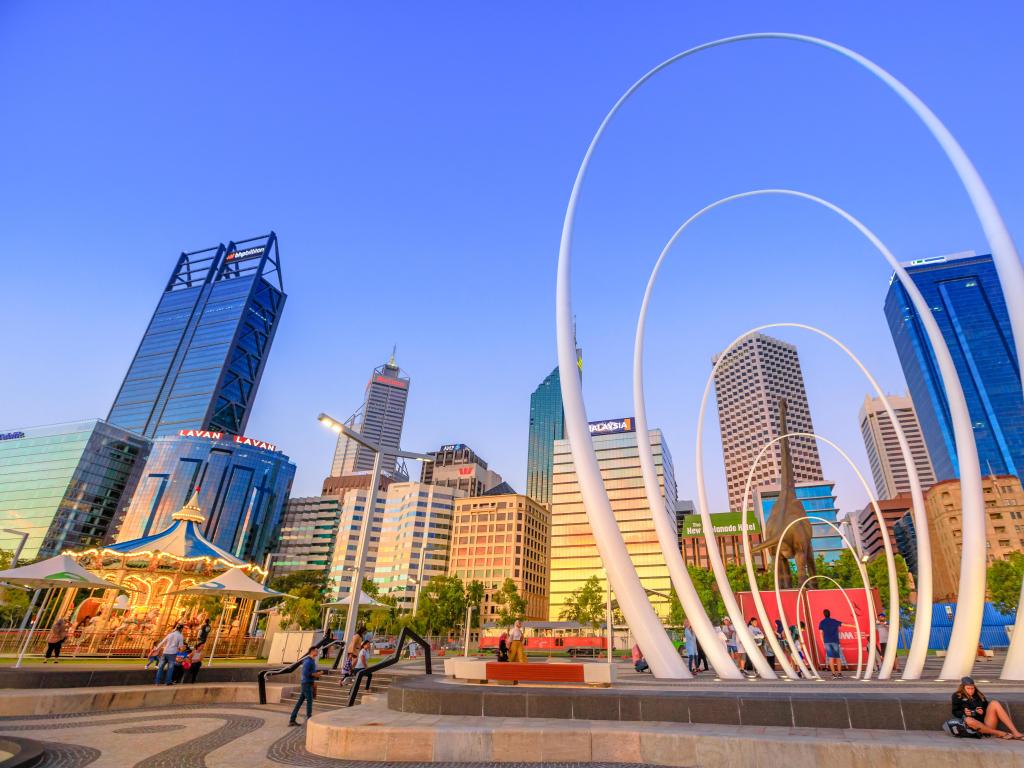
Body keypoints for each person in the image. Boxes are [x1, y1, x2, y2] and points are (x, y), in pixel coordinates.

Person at [951, 677, 1023, 739]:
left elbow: (986, 709)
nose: (971, 691)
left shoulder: (979, 695)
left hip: (986, 724)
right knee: (968, 720)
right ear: (963, 687)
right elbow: (955, 712)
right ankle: (998, 733)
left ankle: (1015, 732)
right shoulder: (957, 696)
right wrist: (964, 712)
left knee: (994, 703)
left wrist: (982, 712)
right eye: (968, 688)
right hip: (973, 726)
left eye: (972, 688)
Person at [288, 646, 323, 727]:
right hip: (306, 684)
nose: (317, 652)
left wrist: (315, 675)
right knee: (309, 701)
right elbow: (306, 673)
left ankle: (292, 720)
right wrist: (317, 674)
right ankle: (309, 720)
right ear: (312, 651)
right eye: (316, 651)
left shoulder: (311, 661)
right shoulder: (308, 662)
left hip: (308, 683)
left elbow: (310, 673)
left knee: (300, 702)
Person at [818, 609, 844, 679]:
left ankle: (833, 674)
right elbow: (844, 624)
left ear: (824, 614)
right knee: (838, 658)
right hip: (835, 641)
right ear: (830, 614)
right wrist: (854, 626)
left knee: (831, 658)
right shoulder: (834, 621)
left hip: (827, 642)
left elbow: (820, 634)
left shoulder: (822, 622)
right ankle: (839, 673)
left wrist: (823, 643)